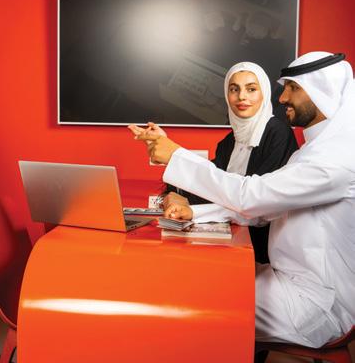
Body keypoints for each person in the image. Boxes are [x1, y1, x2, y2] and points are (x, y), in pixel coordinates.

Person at [135, 51, 355, 350]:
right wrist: (195, 213)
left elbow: (252, 197)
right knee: (185, 277)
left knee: (182, 304)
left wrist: (176, 155)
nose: (282, 98)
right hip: (286, 280)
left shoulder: (336, 159)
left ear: (322, 91)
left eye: (293, 88)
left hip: (319, 303)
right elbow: (264, 211)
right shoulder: (315, 150)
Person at [129, 62, 298, 263]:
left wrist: (175, 156)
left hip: (264, 252)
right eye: (234, 89)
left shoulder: (278, 134)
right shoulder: (229, 142)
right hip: (233, 242)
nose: (242, 97)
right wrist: (175, 195)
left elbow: (258, 206)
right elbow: (208, 186)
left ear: (265, 93)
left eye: (251, 89)